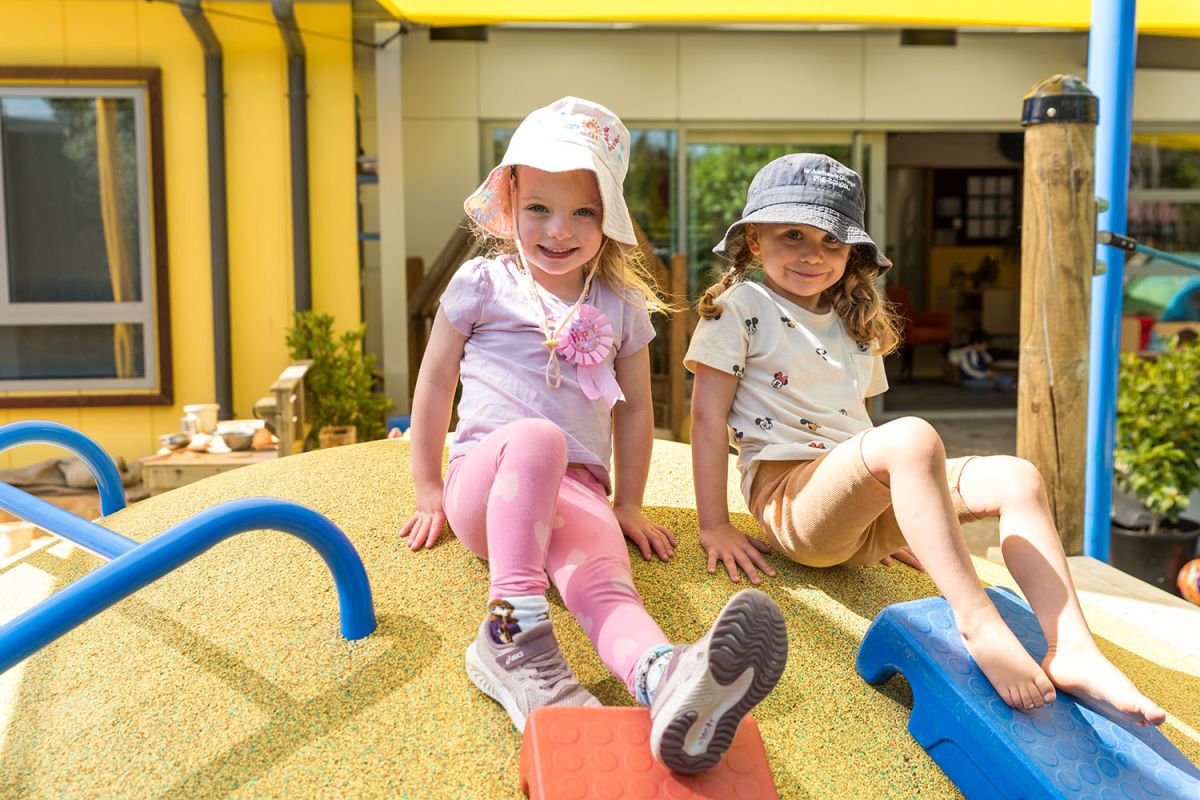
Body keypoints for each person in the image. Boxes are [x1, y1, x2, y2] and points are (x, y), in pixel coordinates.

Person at [685, 153, 1167, 727]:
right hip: (792, 505)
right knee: (911, 436)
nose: (813, 254)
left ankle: (1074, 650)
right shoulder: (742, 305)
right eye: (792, 235)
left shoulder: (851, 321)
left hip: (851, 511)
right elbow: (707, 419)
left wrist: (891, 515)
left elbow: (852, 426)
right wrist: (713, 523)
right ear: (754, 241)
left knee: (1018, 476)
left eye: (831, 242)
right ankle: (977, 621)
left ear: (851, 255)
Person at [399, 97, 787, 772]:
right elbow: (435, 383)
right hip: (486, 490)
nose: (560, 229)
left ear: (608, 217)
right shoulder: (483, 283)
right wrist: (430, 484)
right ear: (510, 199)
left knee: (606, 587)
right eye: (540, 208)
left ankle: (662, 675)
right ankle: (508, 634)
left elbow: (635, 409)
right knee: (539, 438)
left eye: (583, 211)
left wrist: (628, 503)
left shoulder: (621, 303)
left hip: (576, 491)